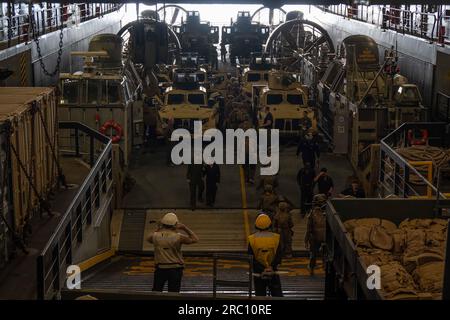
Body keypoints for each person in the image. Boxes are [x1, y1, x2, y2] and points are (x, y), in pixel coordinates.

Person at [148, 212, 199, 292]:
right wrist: (184, 228)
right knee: (174, 293)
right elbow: (195, 239)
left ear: (163, 224)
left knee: (156, 292)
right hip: (175, 269)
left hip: (160, 269)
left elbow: (150, 237)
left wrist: (159, 227)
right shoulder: (179, 237)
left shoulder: (154, 236)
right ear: (175, 224)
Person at [248, 214, 283, 297]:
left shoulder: (252, 239)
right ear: (270, 225)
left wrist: (262, 269)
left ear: (256, 225)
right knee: (277, 294)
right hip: (273, 271)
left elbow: (251, 258)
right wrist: (270, 267)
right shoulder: (276, 238)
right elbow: (279, 255)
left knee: (260, 295)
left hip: (259, 273)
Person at [305, 194, 327, 276]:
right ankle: (322, 268)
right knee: (323, 255)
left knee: (314, 255)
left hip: (316, 237)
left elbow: (309, 228)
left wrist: (306, 240)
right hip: (322, 237)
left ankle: (312, 268)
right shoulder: (328, 212)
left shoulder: (312, 213)